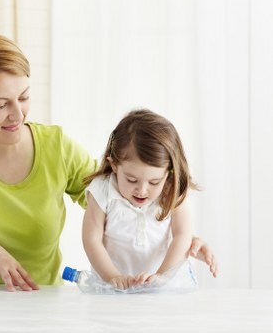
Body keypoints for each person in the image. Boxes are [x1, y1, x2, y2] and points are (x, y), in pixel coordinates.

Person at [0, 32, 217, 292]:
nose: (18, 114)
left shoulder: (56, 149)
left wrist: (177, 237)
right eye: (0, 105)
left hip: (42, 303)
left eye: (23, 97)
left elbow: (124, 204)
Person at [82, 109, 213, 290]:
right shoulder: (102, 190)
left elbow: (182, 235)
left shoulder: (172, 191)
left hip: (164, 288)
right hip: (112, 289)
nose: (142, 190)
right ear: (114, 165)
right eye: (131, 180)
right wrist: (113, 277)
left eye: (154, 182)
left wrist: (160, 277)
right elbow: (91, 239)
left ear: (168, 173)